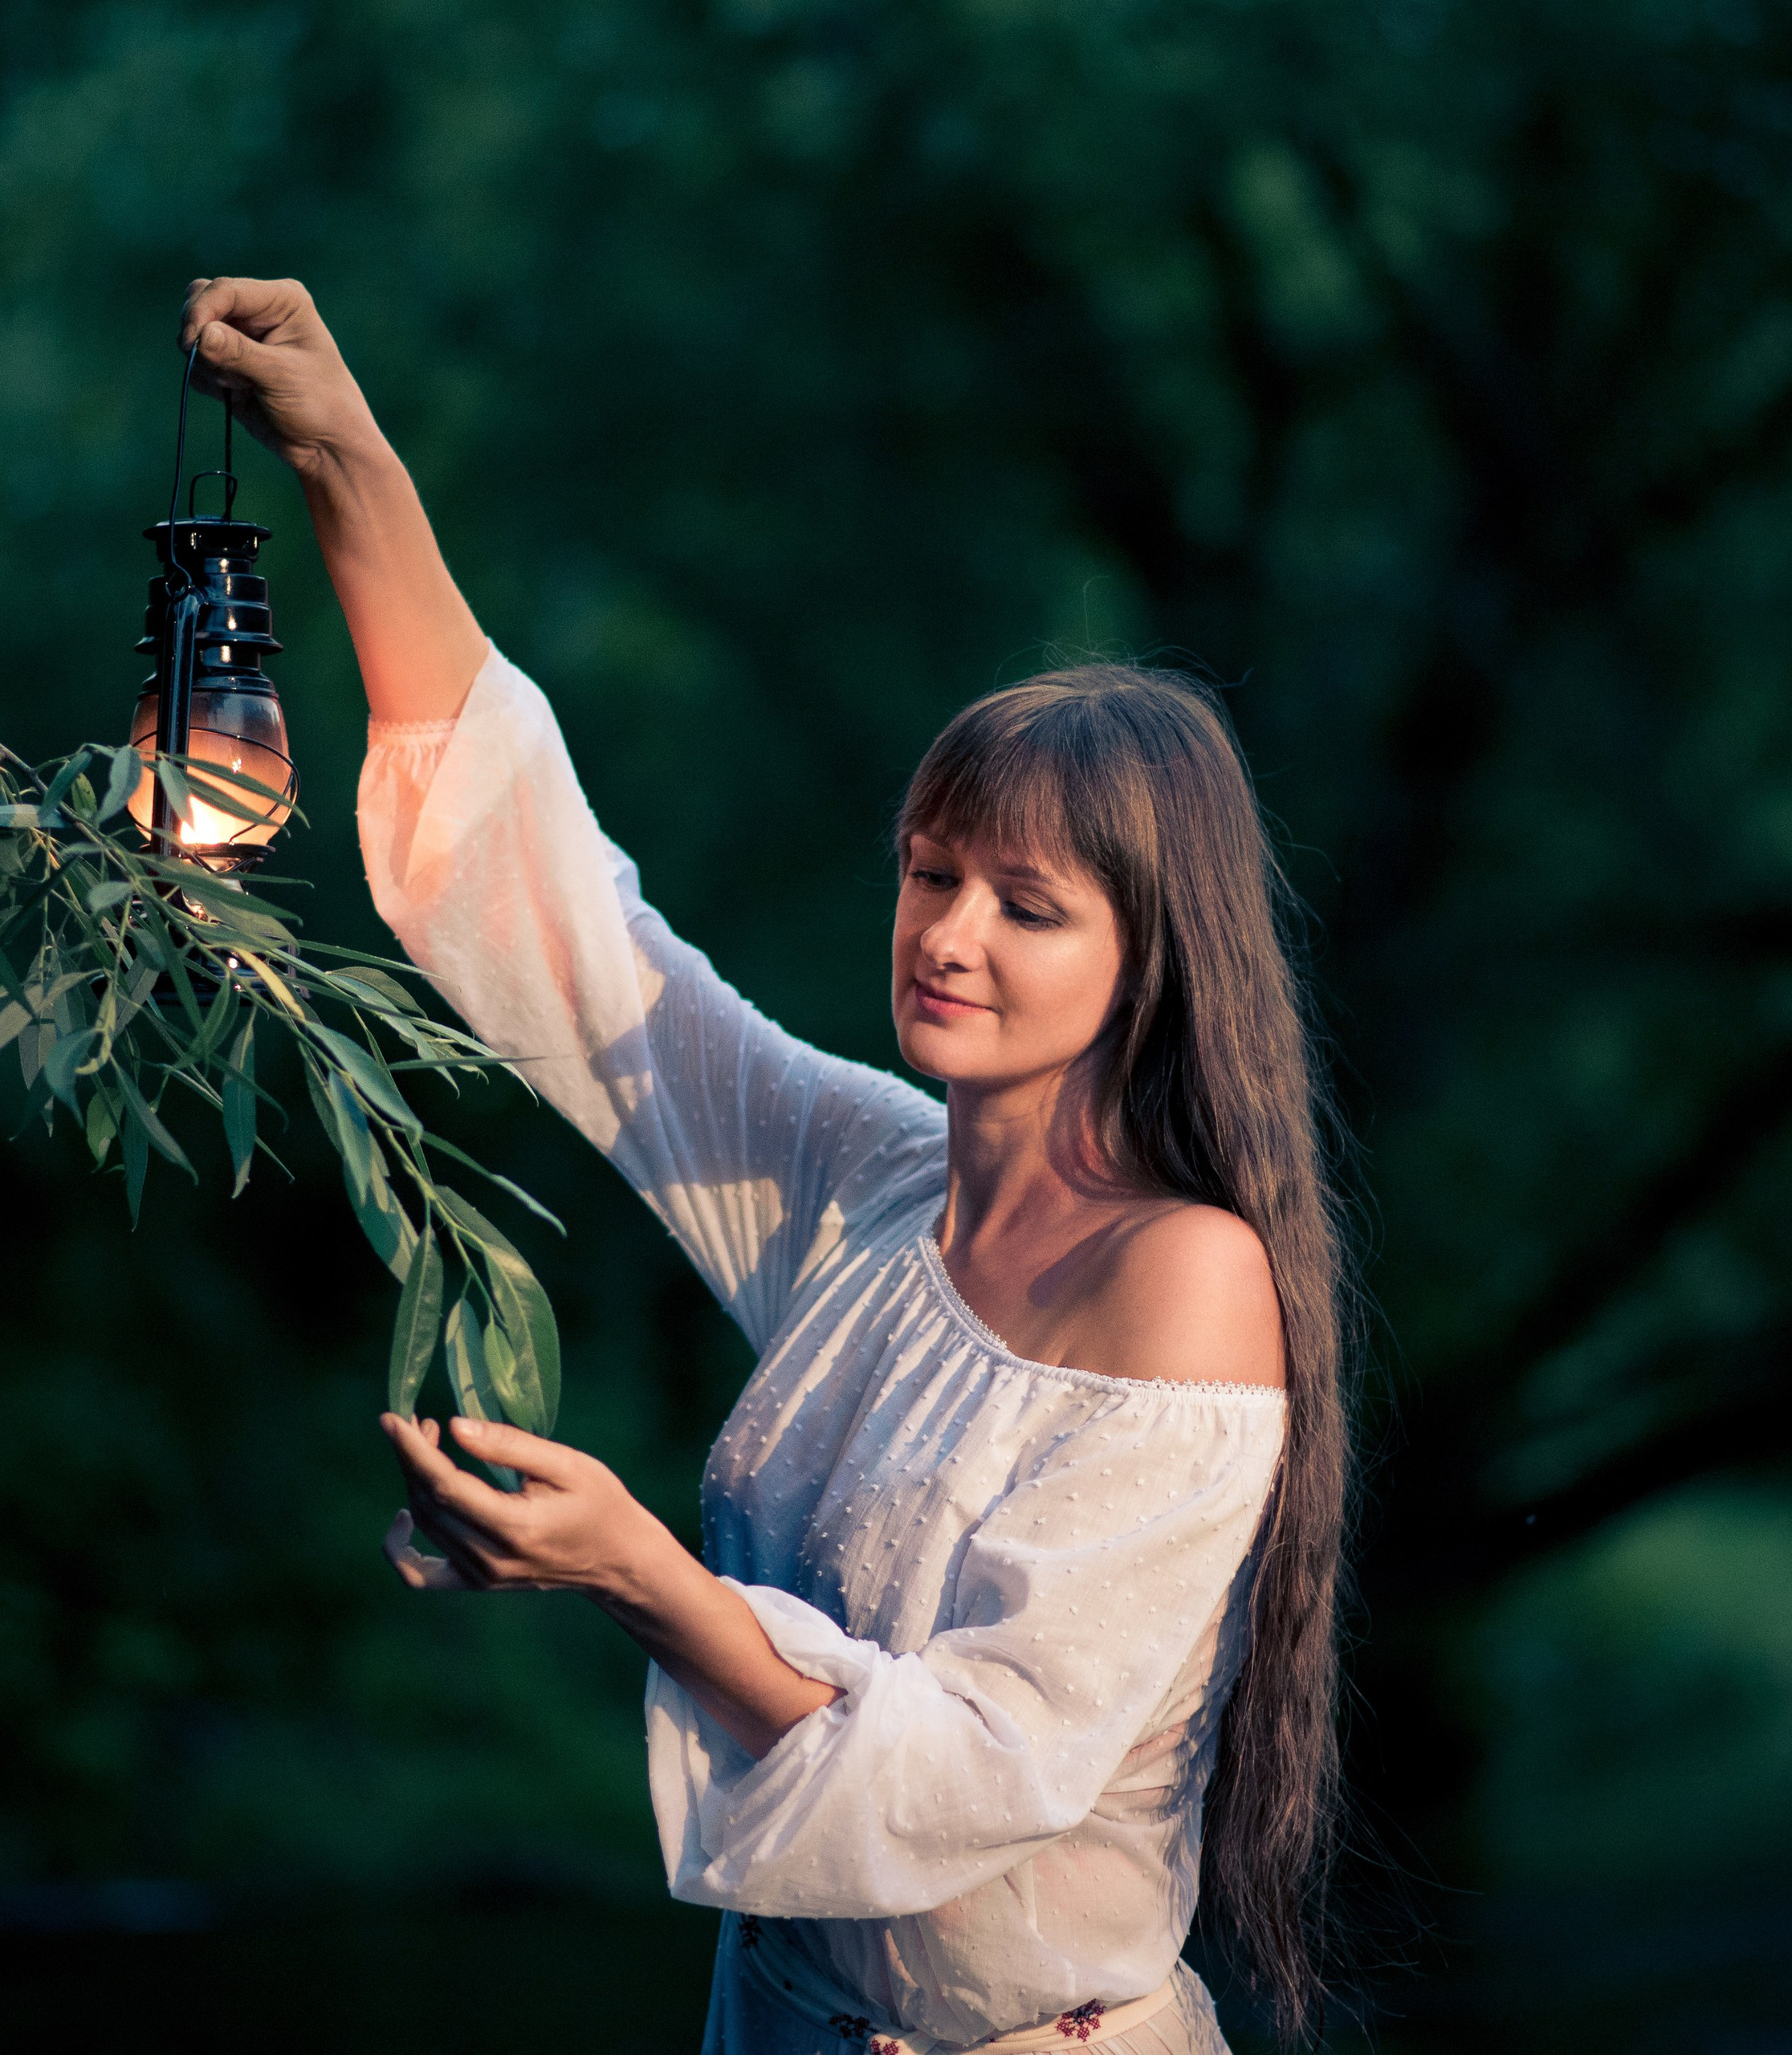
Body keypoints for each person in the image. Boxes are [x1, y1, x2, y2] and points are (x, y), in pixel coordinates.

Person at [178, 275, 1351, 2055]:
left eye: (1025, 904)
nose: (946, 933)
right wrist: (344, 452)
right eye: (927, 868)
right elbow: (573, 943)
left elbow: (980, 1754)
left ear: (1154, 955)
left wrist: (637, 1566)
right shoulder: (877, 1179)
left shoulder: (1181, 1272)